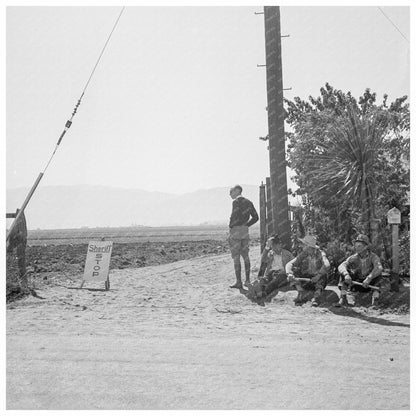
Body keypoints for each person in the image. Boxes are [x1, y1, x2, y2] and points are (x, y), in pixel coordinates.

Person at [336, 234, 388, 307]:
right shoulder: (353, 258)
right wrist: (346, 274)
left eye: (359, 246)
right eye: (356, 245)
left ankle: (375, 301)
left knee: (378, 276)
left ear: (366, 246)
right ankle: (343, 298)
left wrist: (369, 278)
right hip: (357, 284)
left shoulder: (373, 257)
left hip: (369, 285)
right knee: (343, 274)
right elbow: (342, 265)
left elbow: (379, 267)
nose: (356, 248)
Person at [285, 234, 330, 306]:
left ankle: (316, 297)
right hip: (306, 279)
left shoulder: (321, 253)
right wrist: (289, 273)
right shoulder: (304, 254)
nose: (301, 246)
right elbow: (290, 264)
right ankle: (301, 293)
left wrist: (318, 276)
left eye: (303, 244)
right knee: (294, 272)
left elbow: (327, 265)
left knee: (323, 277)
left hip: (317, 280)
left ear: (308, 246)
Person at [228, 185, 259, 289]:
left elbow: (234, 216)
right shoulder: (249, 202)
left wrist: (232, 227)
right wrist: (246, 225)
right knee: (246, 256)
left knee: (236, 257)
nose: (230, 194)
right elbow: (256, 217)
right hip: (245, 231)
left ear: (237, 191)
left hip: (235, 231)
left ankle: (238, 282)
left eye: (231, 191)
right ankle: (247, 280)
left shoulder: (235, 202)